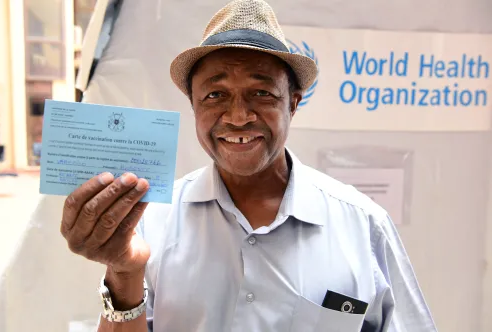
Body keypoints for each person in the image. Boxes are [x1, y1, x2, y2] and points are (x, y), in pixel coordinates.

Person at [60, 0, 437, 331]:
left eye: (261, 92)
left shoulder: (363, 225)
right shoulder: (152, 220)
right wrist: (124, 274)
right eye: (215, 94)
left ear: (292, 103)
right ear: (194, 106)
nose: (238, 116)